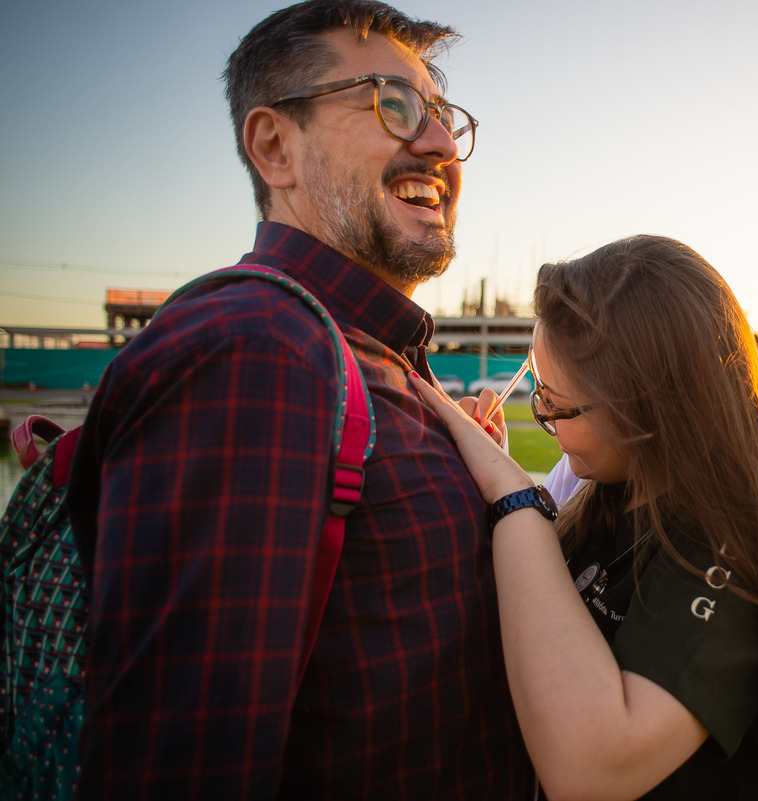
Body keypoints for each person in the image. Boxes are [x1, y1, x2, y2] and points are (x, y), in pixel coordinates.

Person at [66, 1, 534, 797]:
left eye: (445, 117)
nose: (438, 144)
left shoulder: (369, 355)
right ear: (275, 146)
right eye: (394, 105)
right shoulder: (256, 350)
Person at [410, 235, 758, 800]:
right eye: (536, 394)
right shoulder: (621, 484)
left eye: (555, 403)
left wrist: (514, 500)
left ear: (645, 407)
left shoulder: (739, 538)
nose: (542, 419)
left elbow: (593, 770)